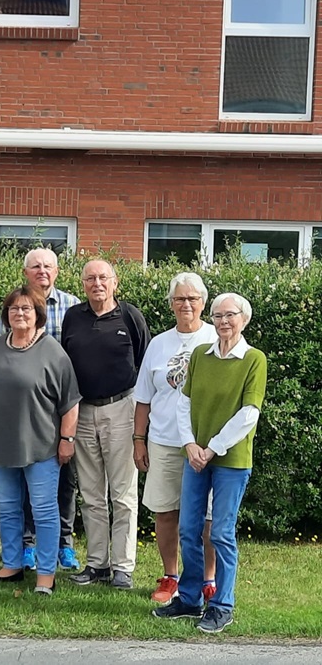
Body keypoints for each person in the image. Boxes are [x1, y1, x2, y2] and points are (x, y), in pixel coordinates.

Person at [154, 293, 266, 633]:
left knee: (220, 533)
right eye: (217, 315)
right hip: (196, 457)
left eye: (229, 315)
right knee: (188, 529)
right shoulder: (201, 355)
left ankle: (222, 605)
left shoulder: (253, 359)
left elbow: (249, 414)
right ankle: (189, 599)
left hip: (230, 460)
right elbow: (183, 402)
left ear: (243, 319)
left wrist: (212, 448)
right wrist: (190, 443)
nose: (222, 322)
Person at [0, 285, 81, 596]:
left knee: (43, 510)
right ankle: (12, 565)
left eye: (26, 309)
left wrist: (67, 439)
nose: (19, 313)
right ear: (6, 315)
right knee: (9, 508)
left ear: (38, 314)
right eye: (14, 309)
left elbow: (71, 401)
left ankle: (46, 574)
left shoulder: (52, 350)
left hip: (41, 444)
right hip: (2, 443)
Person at [61, 259, 150, 590]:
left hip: (121, 408)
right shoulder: (73, 317)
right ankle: (97, 563)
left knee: (123, 493)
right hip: (82, 411)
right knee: (91, 493)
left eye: (103, 278)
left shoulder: (130, 316)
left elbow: (145, 364)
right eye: (90, 278)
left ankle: (123, 567)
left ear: (115, 282)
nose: (96, 283)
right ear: (83, 284)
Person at [133, 273, 217, 604]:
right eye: (179, 299)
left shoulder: (215, 337)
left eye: (192, 299)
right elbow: (143, 397)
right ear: (170, 304)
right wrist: (139, 439)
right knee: (166, 511)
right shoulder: (159, 344)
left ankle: (208, 579)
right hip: (164, 440)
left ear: (203, 303)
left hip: (205, 444)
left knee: (208, 515)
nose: (186, 304)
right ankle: (171, 576)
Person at [0, 247, 81, 572]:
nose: (42, 271)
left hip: (64, 402)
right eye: (35, 267)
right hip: (28, 409)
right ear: (26, 272)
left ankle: (65, 544)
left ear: (57, 272)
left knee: (64, 479)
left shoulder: (72, 306)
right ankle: (29, 544)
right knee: (27, 480)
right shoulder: (15, 308)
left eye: (48, 266)